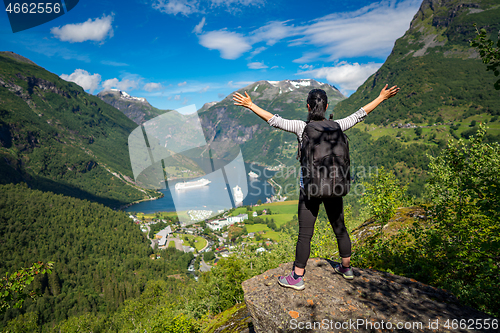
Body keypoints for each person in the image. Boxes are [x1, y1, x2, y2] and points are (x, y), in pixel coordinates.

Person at [233, 84, 400, 290]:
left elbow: (273, 120)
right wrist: (382, 97)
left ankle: (297, 277)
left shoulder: (301, 127)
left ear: (308, 107)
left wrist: (250, 105)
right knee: (340, 228)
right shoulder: (338, 125)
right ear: (327, 105)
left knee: (305, 234)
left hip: (310, 190)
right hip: (335, 187)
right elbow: (360, 114)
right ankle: (346, 268)